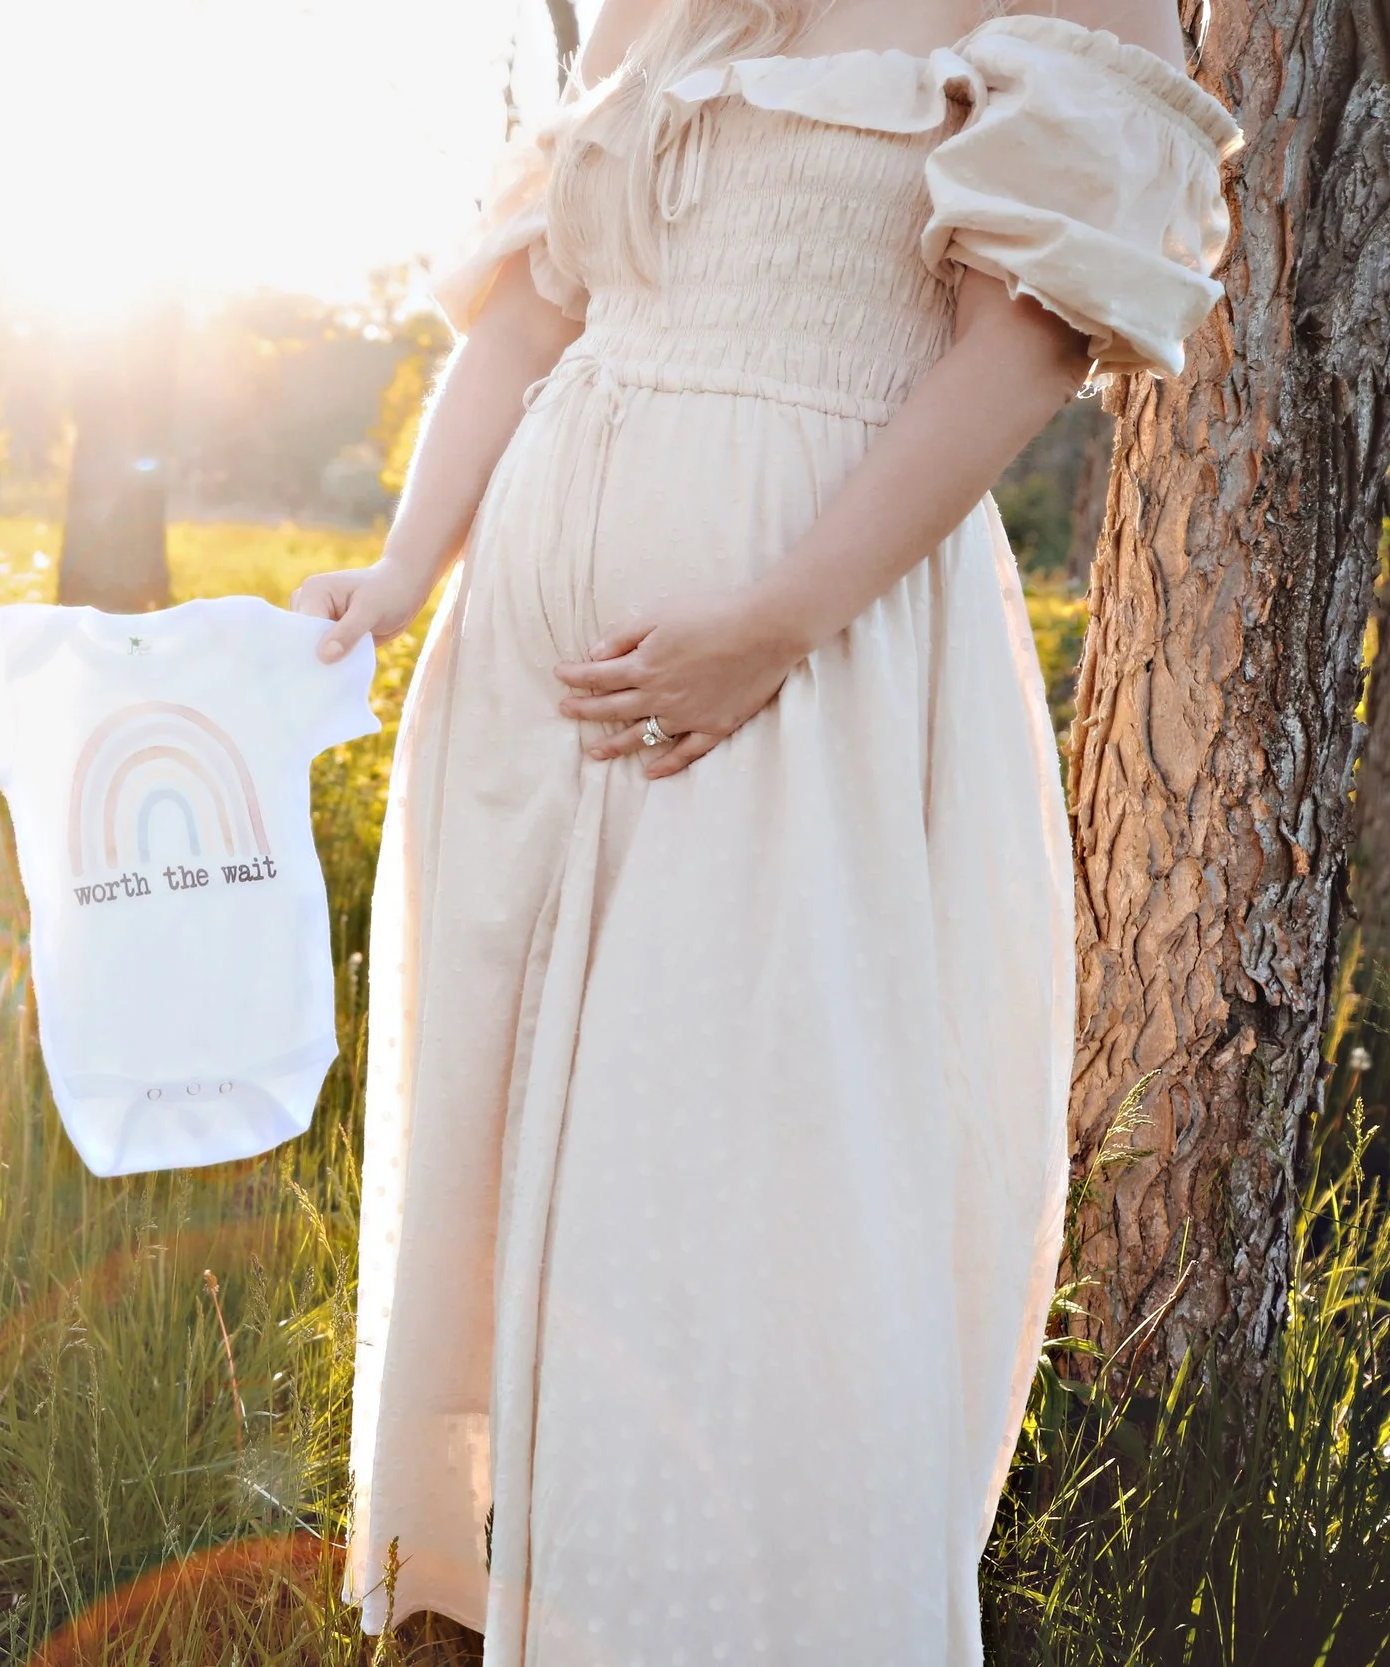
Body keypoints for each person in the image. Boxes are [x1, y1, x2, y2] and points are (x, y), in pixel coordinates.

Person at [295, 0, 1236, 1659]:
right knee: (545, 1167)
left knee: (748, 1177)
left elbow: (1020, 350)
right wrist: (400, 568)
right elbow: (521, 333)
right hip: (535, 686)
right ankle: (546, 1603)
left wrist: (776, 621)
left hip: (801, 660)